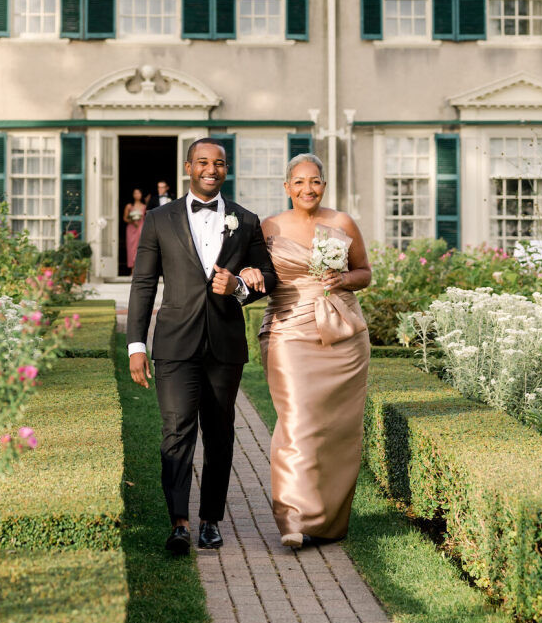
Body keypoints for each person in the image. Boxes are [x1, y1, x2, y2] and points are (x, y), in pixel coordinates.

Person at [127, 139, 276, 555]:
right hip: (174, 342)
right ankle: (179, 522)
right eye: (204, 163)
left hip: (225, 344)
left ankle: (211, 520)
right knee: (176, 431)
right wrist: (136, 344)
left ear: (226, 170)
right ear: (189, 167)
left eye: (220, 164)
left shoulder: (246, 221)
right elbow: (143, 284)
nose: (212, 169)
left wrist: (241, 286)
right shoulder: (159, 219)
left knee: (220, 433)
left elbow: (270, 276)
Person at [240, 153, 371, 549]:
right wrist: (247, 273)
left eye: (314, 181)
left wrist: (344, 277)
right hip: (288, 330)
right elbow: (258, 275)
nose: (307, 189)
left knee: (336, 429)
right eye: (298, 182)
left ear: (324, 185)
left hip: (343, 332)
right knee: (297, 421)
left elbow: (365, 272)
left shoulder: (343, 223)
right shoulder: (269, 227)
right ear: (286, 187)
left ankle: (328, 521)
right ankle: (293, 518)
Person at [122, 188, 147, 270]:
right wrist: (132, 221)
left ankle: (139, 269)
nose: (137, 195)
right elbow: (125, 218)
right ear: (133, 195)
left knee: (140, 247)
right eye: (135, 193)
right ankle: (132, 269)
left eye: (138, 193)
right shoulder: (129, 206)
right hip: (131, 229)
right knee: (131, 248)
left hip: (141, 228)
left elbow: (146, 218)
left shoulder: (144, 206)